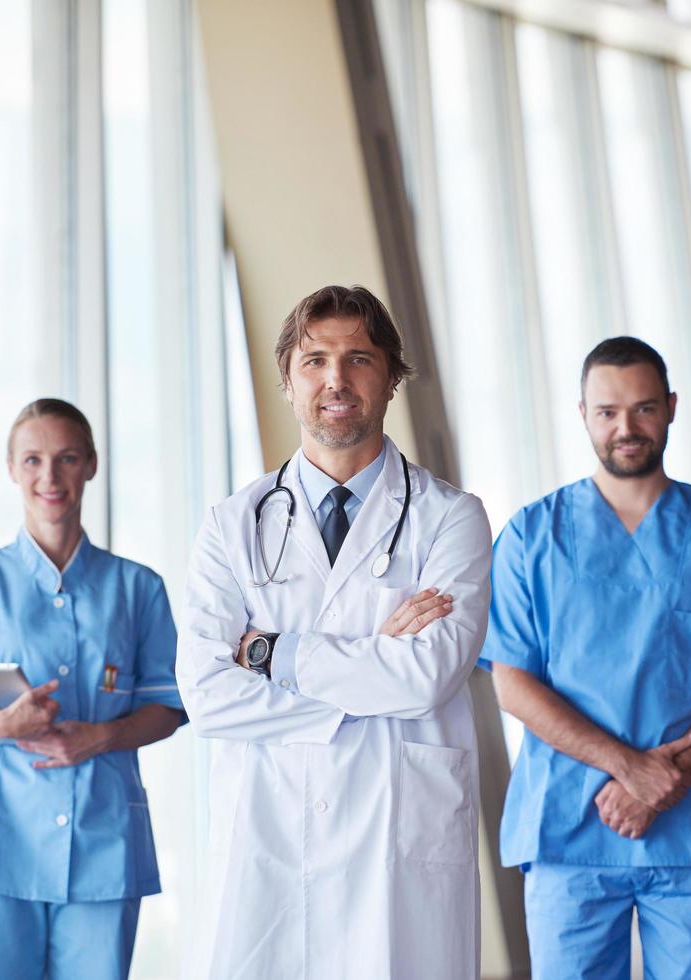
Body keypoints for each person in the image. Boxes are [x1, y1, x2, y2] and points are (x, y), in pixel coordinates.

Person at [483, 337, 691, 979]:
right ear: (582, 414)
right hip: (569, 827)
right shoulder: (532, 535)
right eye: (608, 412)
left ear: (670, 408)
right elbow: (512, 683)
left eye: (642, 409)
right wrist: (631, 770)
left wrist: (667, 780)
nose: (626, 428)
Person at [177, 285, 492, 979]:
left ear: (390, 379)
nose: (335, 380)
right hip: (268, 833)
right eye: (315, 360)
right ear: (288, 381)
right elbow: (206, 694)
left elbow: (426, 677)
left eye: (358, 359)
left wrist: (269, 654)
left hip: (395, 835)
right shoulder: (231, 526)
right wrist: (375, 662)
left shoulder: (450, 519)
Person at [0, 398, 186, 980]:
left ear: (91, 465)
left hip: (102, 842)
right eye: (32, 460)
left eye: (66, 458)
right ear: (10, 468)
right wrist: (0, 725)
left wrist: (102, 736)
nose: (49, 476)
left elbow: (170, 707)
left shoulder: (138, 589)